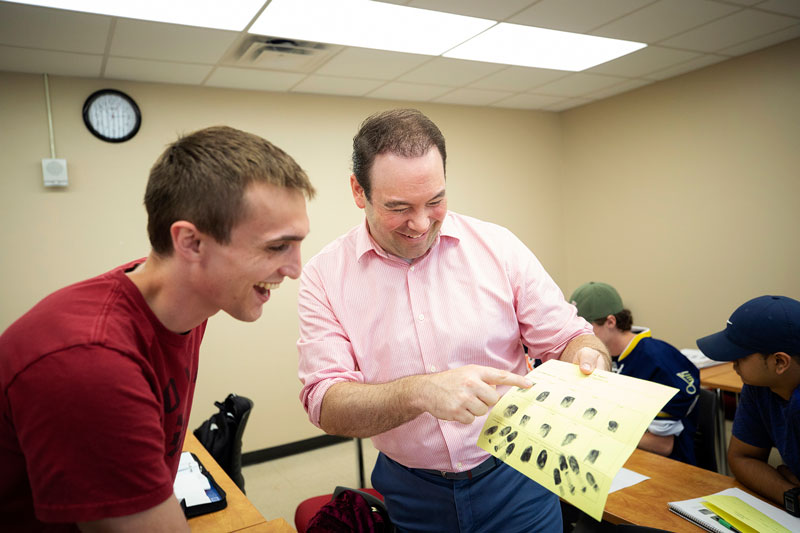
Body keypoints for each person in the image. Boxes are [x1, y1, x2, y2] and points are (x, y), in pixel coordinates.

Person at [297, 108, 610, 532]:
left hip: (519, 474)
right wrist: (421, 392)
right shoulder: (324, 275)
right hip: (411, 492)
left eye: (436, 201)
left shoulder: (498, 247)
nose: (422, 224)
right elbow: (326, 403)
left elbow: (568, 337)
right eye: (399, 207)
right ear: (358, 191)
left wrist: (589, 354)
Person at [0, 126, 315, 532]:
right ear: (191, 243)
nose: (295, 269)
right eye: (277, 247)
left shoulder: (185, 305)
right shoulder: (90, 361)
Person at [570, 281, 699, 465]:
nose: (578, 335)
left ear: (610, 322)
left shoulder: (657, 360)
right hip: (617, 457)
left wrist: (599, 428)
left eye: (585, 327)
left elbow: (663, 445)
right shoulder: (599, 356)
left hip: (665, 467)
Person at [696, 295, 800, 513]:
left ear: (779, 362)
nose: (732, 363)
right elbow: (741, 458)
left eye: (739, 356)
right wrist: (791, 494)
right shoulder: (759, 386)